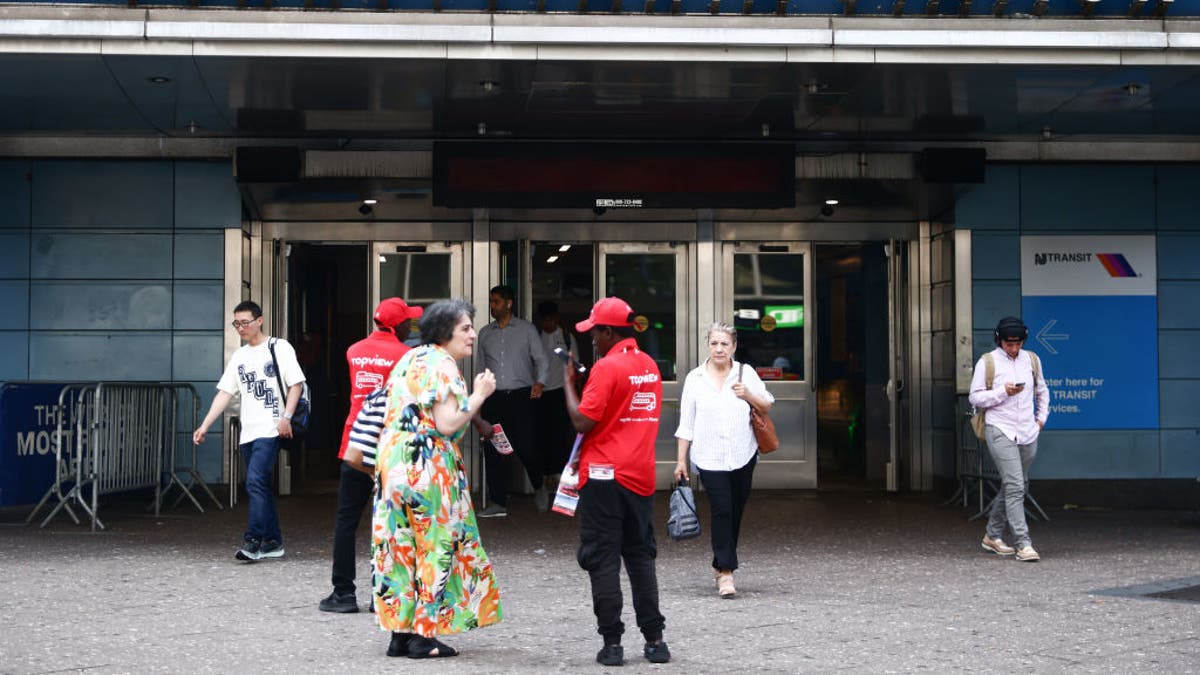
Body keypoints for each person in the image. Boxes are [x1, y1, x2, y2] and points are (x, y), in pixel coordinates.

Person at [368, 298, 501, 659]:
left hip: (392, 462)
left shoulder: (408, 358)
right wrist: (479, 395)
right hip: (427, 466)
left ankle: (400, 632)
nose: (473, 335)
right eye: (466, 328)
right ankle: (424, 637)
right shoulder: (443, 364)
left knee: (399, 547)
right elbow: (447, 424)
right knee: (435, 545)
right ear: (445, 332)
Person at [563, 296, 670, 666]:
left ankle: (612, 645)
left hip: (604, 478)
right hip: (640, 477)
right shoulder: (649, 366)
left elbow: (582, 421)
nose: (592, 339)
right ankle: (655, 641)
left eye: (595, 332)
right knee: (641, 557)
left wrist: (568, 383)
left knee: (603, 558)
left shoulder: (607, 368)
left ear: (609, 331)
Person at [318, 297, 423, 614]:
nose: (411, 326)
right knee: (393, 523)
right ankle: (387, 595)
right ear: (398, 325)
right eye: (409, 321)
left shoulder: (353, 351)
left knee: (346, 520)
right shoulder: (406, 356)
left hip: (355, 444)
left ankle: (343, 593)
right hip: (391, 447)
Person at [193, 300, 305, 563]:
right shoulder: (240, 356)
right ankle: (274, 542)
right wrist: (205, 425)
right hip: (248, 432)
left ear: (260, 320)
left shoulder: (279, 347)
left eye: (245, 322)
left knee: (254, 481)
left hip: (271, 429)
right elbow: (225, 393)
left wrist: (286, 418)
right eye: (237, 323)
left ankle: (253, 541)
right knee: (261, 486)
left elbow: (296, 385)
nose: (240, 328)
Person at [673, 322, 774, 598]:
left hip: (743, 454)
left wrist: (747, 394)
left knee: (736, 510)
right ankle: (726, 573)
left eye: (724, 344)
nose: (719, 349)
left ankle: (720, 562)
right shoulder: (695, 378)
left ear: (734, 347)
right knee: (722, 510)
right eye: (714, 343)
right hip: (708, 458)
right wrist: (681, 460)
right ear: (708, 345)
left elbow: (766, 404)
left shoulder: (745, 373)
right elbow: (686, 424)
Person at [968, 316, 1050, 563]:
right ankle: (1023, 543)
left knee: (1017, 485)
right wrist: (1003, 392)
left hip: (1027, 430)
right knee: (1015, 485)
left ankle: (992, 535)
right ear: (999, 340)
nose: (1013, 348)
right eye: (1008, 343)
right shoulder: (988, 362)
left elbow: (1042, 391)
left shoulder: (1032, 359)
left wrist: (1040, 420)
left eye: (1017, 343)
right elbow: (975, 398)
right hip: (1000, 428)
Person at [474, 284, 550, 517]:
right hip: (494, 398)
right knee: (494, 449)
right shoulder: (485, 333)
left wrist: (540, 383)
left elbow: (541, 359)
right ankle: (498, 503)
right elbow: (480, 367)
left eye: (496, 301)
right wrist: (478, 396)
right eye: (490, 301)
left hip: (521, 396)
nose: (492, 306)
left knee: (526, 447)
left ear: (509, 303)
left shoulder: (527, 330)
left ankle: (539, 486)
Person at [533, 300, 580, 496]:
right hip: (540, 392)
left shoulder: (567, 338)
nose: (547, 324)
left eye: (551, 319)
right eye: (544, 320)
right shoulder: (535, 336)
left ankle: (560, 476)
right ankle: (544, 477)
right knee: (541, 435)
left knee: (560, 435)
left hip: (561, 392)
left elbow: (576, 366)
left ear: (557, 318)